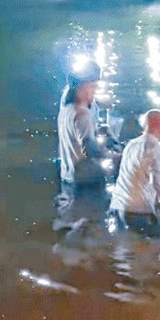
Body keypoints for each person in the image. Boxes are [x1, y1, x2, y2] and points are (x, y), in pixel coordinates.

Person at [107, 109, 160, 237]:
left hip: (117, 207)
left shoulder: (131, 145)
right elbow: (157, 182)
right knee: (156, 247)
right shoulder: (157, 149)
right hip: (138, 211)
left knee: (128, 249)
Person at [54, 59, 109, 232]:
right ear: (83, 87)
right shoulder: (82, 113)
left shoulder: (66, 108)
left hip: (67, 174)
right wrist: (112, 156)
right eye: (93, 87)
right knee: (92, 222)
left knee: (71, 217)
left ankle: (67, 252)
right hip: (85, 177)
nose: (95, 91)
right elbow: (90, 149)